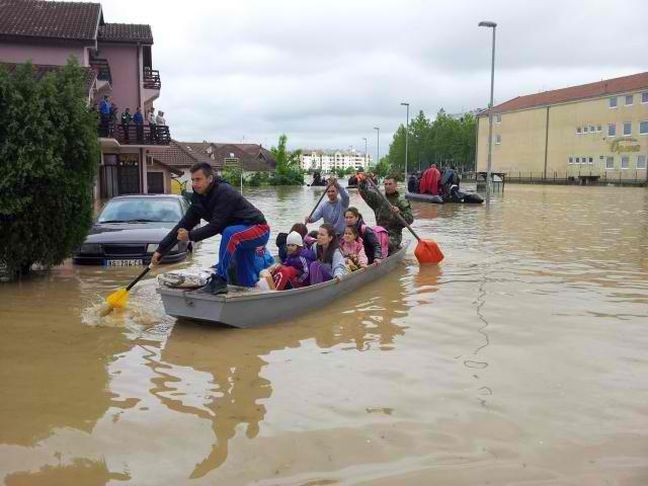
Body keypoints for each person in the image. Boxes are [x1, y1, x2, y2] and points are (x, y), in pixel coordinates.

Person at [153, 162, 269, 294]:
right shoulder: (198, 200)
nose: (195, 184)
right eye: (192, 180)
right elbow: (182, 226)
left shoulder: (225, 192)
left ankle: (219, 280)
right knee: (244, 280)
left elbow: (216, 226)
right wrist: (161, 250)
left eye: (198, 179)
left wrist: (190, 236)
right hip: (238, 239)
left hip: (258, 229)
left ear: (210, 179)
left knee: (229, 233)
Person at [357, 173, 414, 255]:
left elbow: (410, 220)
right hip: (379, 232)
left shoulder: (401, 201)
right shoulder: (379, 198)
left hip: (394, 235)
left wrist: (399, 213)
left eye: (390, 184)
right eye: (386, 184)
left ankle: (388, 252)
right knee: (364, 242)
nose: (387, 186)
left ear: (395, 185)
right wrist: (363, 181)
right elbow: (364, 192)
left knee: (386, 244)